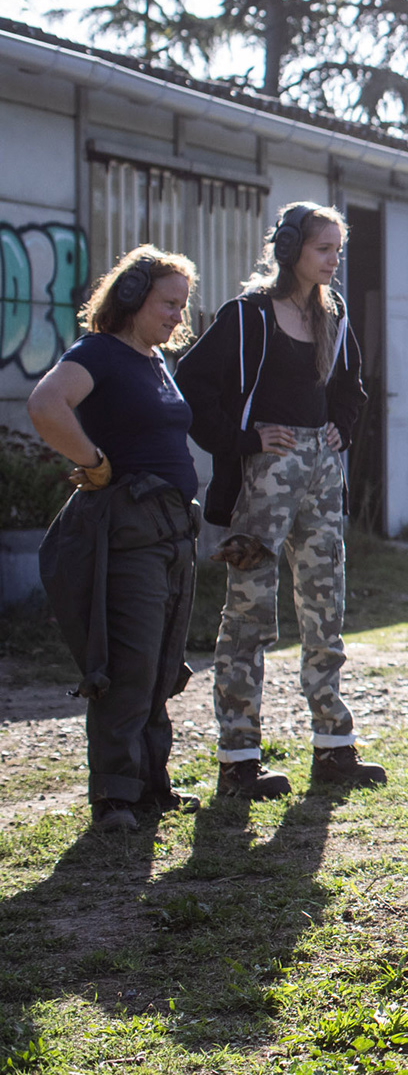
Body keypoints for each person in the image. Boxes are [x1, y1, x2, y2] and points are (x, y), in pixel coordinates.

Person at [175, 202, 384, 799]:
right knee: (249, 612)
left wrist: (340, 425)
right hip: (262, 477)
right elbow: (191, 383)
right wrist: (241, 439)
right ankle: (239, 758)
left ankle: (333, 747)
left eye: (337, 250)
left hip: (323, 469)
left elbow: (352, 388)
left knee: (326, 608)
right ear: (290, 247)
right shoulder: (247, 317)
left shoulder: (335, 314)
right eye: (324, 249)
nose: (333, 260)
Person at [29, 246, 202, 833]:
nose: (178, 316)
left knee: (160, 663)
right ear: (131, 298)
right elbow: (46, 404)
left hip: (174, 530)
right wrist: (94, 460)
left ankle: (151, 785)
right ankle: (114, 799)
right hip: (128, 533)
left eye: (182, 305)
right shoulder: (99, 352)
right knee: (128, 662)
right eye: (167, 303)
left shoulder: (155, 362)